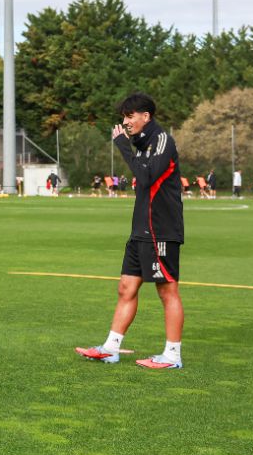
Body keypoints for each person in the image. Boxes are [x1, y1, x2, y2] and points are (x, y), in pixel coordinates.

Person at [76, 93, 186, 370]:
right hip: (140, 231)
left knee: (167, 291)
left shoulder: (162, 140)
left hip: (161, 230)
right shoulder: (143, 143)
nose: (125, 122)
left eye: (130, 116)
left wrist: (123, 146)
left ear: (145, 116)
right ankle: (110, 348)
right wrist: (130, 144)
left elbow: (146, 177)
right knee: (126, 288)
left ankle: (172, 355)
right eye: (123, 117)